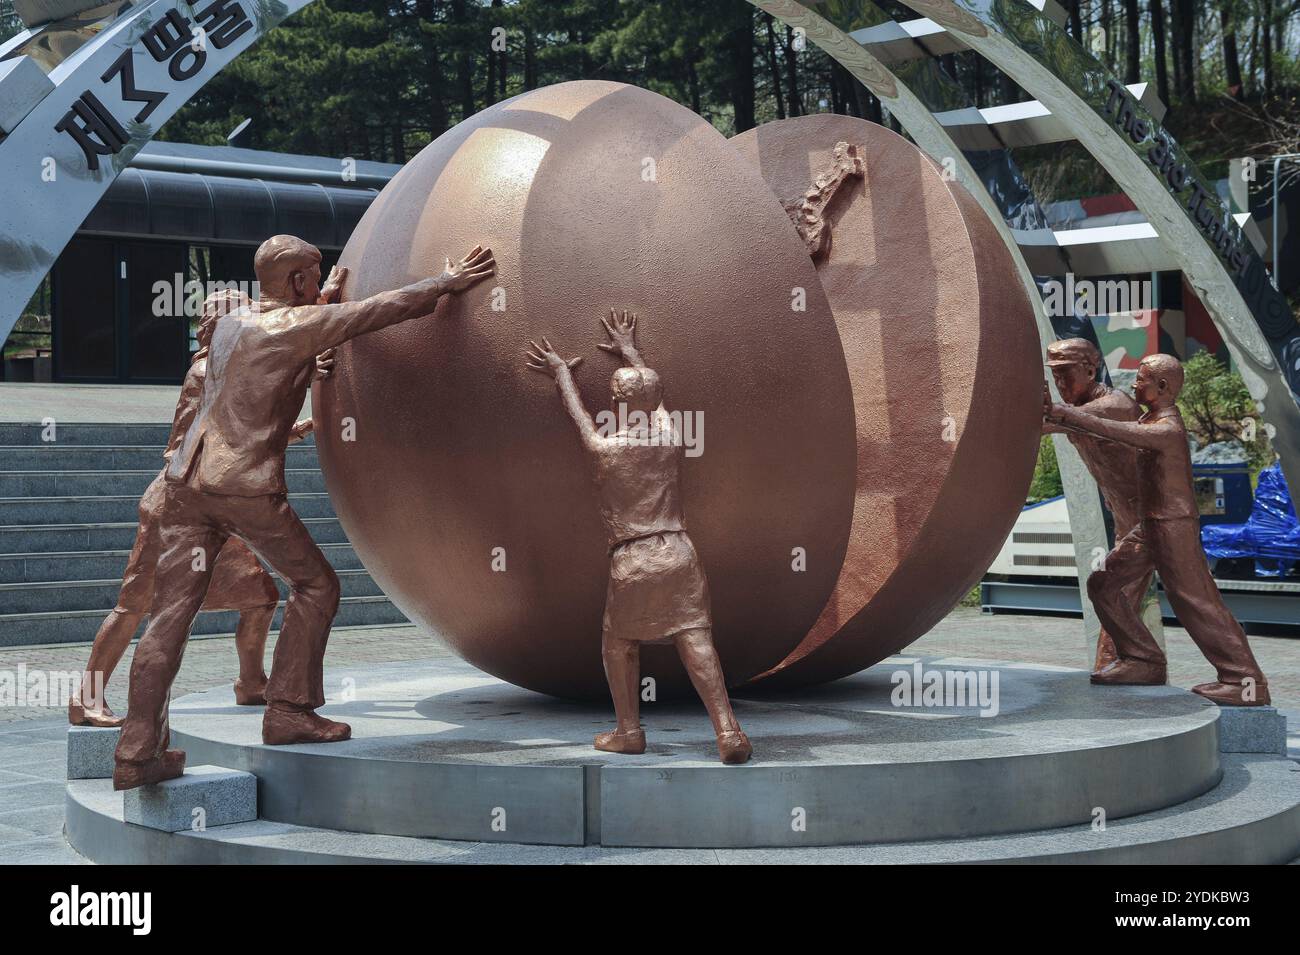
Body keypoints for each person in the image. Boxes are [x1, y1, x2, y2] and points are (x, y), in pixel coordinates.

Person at [113, 237, 495, 790]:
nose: (318, 286)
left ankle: (136, 752)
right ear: (297, 282)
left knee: (168, 618)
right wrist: (446, 282)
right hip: (243, 486)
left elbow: (287, 340)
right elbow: (375, 312)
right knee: (317, 586)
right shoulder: (296, 328)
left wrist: (321, 306)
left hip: (185, 483)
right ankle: (288, 709)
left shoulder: (231, 324)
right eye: (312, 277)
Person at [69, 290, 325, 727]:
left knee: (260, 597)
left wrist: (298, 394)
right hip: (175, 503)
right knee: (134, 604)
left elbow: (237, 442)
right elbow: (194, 446)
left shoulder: (226, 369)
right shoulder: (207, 373)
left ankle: (251, 682)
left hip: (212, 500)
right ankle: (86, 698)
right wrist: (297, 369)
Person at [526, 310, 751, 764]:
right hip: (681, 551)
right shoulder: (668, 439)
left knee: (619, 643)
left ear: (617, 403)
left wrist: (561, 373)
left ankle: (629, 730)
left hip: (634, 557)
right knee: (695, 639)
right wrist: (632, 353)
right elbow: (659, 406)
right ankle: (727, 730)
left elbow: (579, 416)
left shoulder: (605, 449)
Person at [1046, 353, 1270, 704]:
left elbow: (1121, 431)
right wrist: (1062, 416)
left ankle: (1245, 681)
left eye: (1141, 378)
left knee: (1195, 600)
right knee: (1103, 583)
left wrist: (1068, 414)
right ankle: (1142, 660)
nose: (1134, 384)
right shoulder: (1152, 421)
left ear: (1162, 387)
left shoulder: (1167, 428)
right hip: (1150, 526)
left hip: (1173, 526)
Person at [1040, 338, 1154, 678]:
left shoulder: (1114, 405)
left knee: (1110, 588)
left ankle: (1141, 663)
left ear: (1090, 370)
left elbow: (1061, 419)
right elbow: (1051, 423)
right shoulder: (1078, 409)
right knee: (1115, 593)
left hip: (1154, 520)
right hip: (1129, 523)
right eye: (1054, 377)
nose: (1060, 384)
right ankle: (1123, 666)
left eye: (1065, 374)